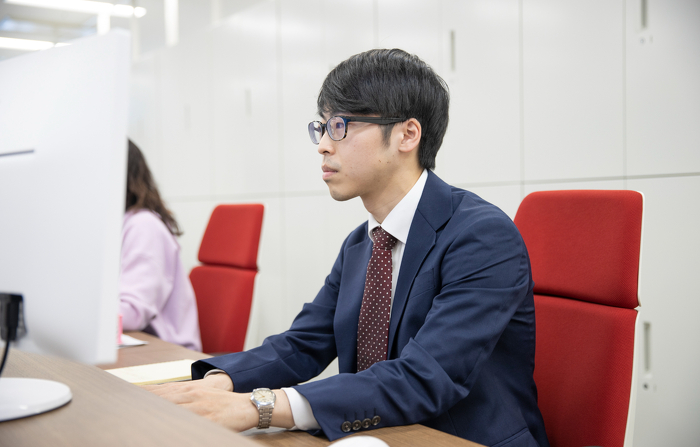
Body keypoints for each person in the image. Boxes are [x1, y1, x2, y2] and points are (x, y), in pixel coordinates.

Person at [146, 49, 549, 447]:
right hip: (380, 434)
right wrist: (220, 383)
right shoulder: (363, 242)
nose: (323, 145)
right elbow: (304, 342)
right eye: (321, 128)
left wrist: (260, 407)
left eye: (339, 126)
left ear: (407, 135)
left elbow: (425, 376)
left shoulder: (482, 236)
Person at [119, 140, 202, 352]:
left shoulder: (143, 226)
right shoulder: (118, 226)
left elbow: (132, 313)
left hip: (168, 354)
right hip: (139, 347)